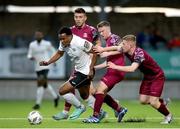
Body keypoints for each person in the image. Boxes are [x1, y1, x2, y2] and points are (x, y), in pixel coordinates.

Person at [94, 34, 173, 124]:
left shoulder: (139, 53)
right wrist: (103, 51)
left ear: (130, 45)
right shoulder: (126, 49)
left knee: (153, 102)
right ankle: (162, 101)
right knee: (143, 101)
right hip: (147, 77)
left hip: (157, 76)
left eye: (123, 44)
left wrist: (115, 66)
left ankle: (168, 116)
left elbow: (132, 69)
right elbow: (116, 48)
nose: (121, 46)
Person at [40, 27, 105, 120]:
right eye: (60, 39)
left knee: (62, 91)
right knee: (85, 95)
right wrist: (48, 62)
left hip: (85, 72)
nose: (62, 41)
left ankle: (80, 107)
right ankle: (100, 112)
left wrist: (91, 69)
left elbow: (95, 52)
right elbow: (59, 53)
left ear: (70, 36)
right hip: (79, 70)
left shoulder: (80, 42)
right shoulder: (63, 43)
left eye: (64, 38)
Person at [52, 8, 103, 120]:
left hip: (88, 64)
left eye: (80, 17)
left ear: (85, 18)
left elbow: (98, 44)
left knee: (85, 90)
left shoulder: (92, 30)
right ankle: (102, 111)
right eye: (76, 17)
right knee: (84, 93)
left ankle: (68, 112)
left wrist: (95, 52)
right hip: (77, 64)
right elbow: (63, 48)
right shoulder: (70, 31)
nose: (78, 19)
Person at [83, 21, 127, 123]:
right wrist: (94, 68)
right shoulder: (108, 41)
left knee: (99, 91)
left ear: (108, 29)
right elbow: (107, 62)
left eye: (102, 31)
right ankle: (120, 109)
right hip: (112, 71)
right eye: (100, 32)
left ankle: (95, 117)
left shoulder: (114, 38)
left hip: (116, 70)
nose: (101, 34)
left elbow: (121, 49)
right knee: (97, 93)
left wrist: (103, 50)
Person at [27, 30, 59, 110]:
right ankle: (55, 97)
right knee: (44, 85)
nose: (38, 36)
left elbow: (53, 51)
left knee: (40, 82)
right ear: (35, 36)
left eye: (39, 35)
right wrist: (31, 57)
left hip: (45, 66)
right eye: (36, 35)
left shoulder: (47, 43)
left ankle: (38, 103)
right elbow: (29, 54)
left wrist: (53, 60)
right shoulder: (32, 44)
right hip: (37, 67)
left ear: (42, 35)